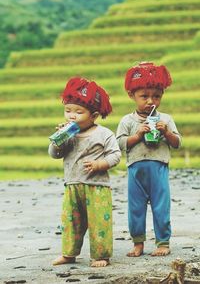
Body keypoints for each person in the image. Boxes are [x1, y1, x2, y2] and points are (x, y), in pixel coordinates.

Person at [48, 77, 121, 267]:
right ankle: (69, 253)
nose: (71, 116)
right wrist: (58, 140)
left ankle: (101, 255)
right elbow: (55, 154)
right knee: (70, 222)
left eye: (78, 112)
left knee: (99, 223)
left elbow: (115, 155)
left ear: (94, 115)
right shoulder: (68, 134)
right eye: (68, 110)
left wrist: (99, 164)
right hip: (72, 185)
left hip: (97, 187)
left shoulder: (103, 134)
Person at [116, 62, 181, 257]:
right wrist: (137, 135)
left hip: (158, 167)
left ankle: (163, 242)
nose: (150, 101)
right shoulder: (128, 121)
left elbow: (177, 143)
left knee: (161, 205)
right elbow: (119, 143)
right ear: (132, 95)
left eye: (156, 96)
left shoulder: (166, 119)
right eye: (144, 96)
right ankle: (138, 243)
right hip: (136, 169)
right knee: (135, 207)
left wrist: (166, 132)